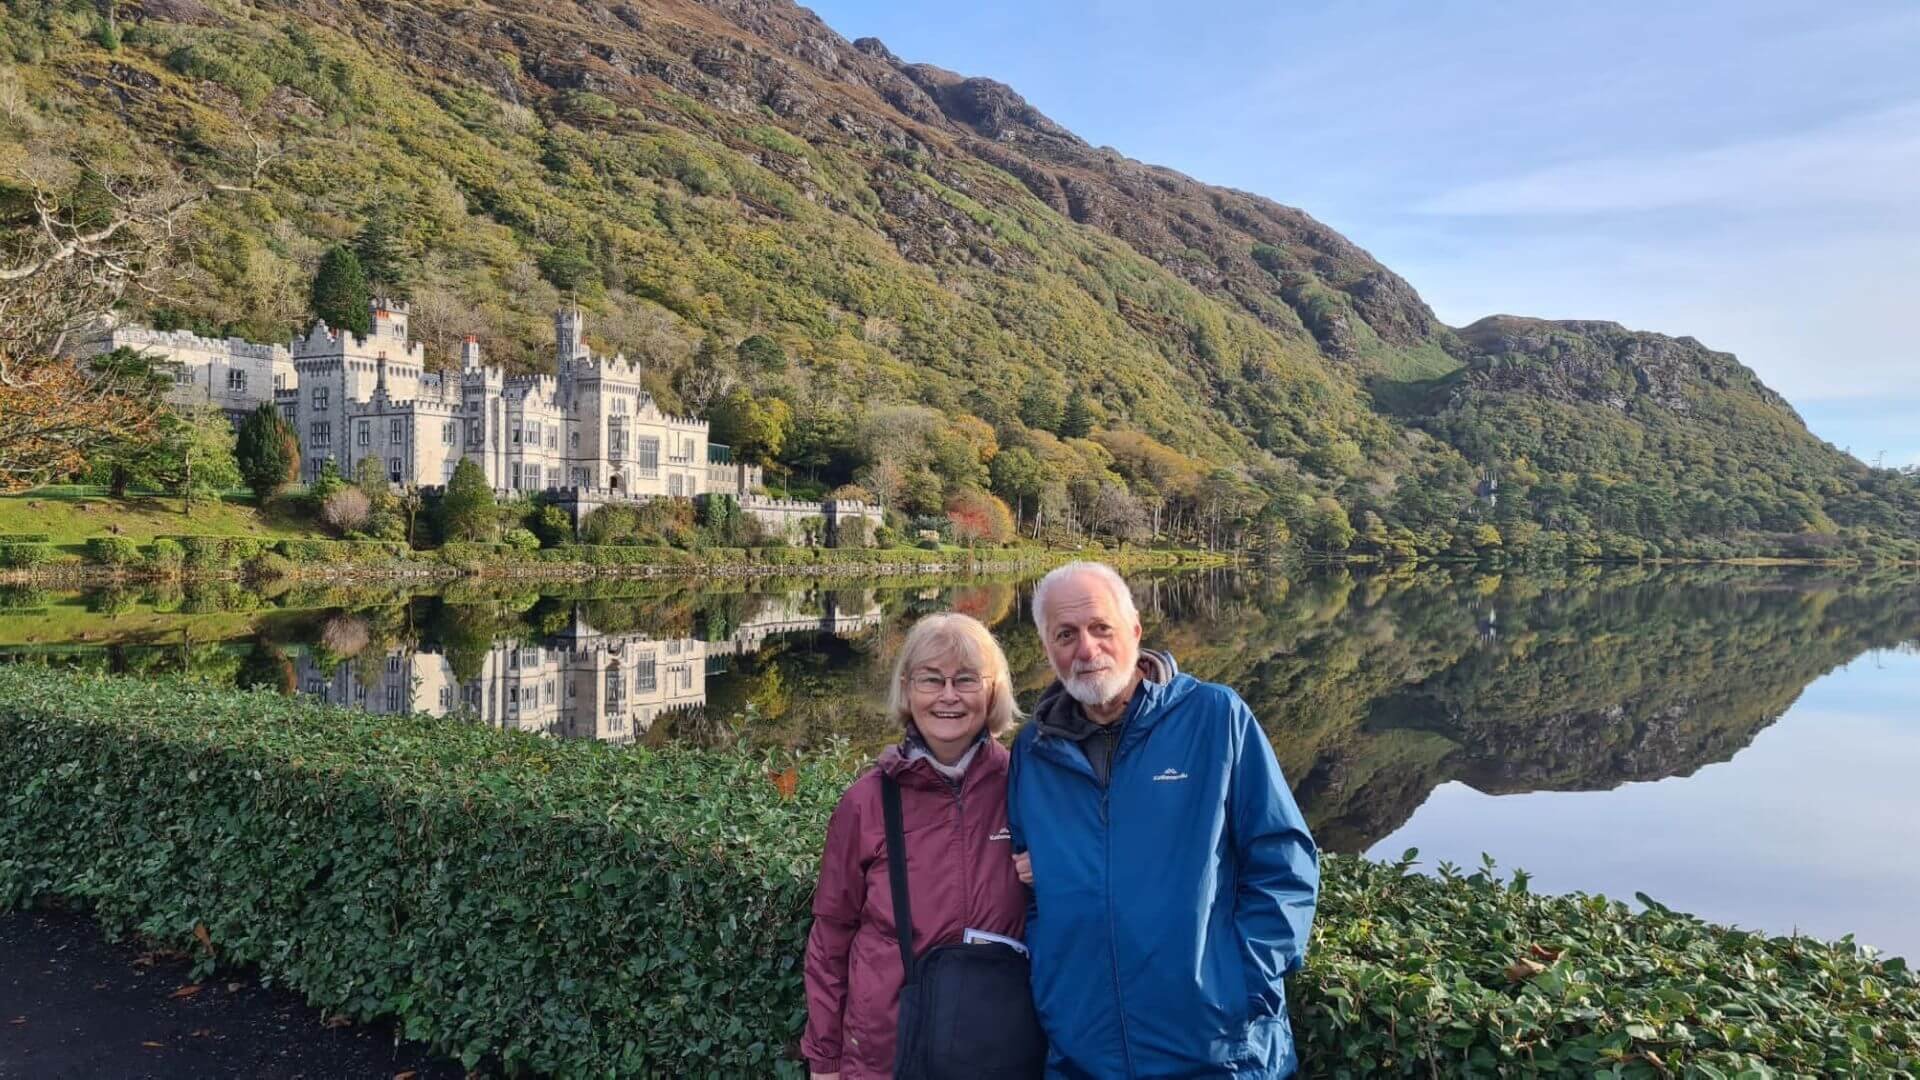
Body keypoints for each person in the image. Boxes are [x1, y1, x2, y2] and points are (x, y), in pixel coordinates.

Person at [1008, 561, 1320, 1078]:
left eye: (1100, 628)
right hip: (1083, 1053)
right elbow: (1030, 888)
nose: (1086, 649)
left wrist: (1239, 984)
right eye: (1065, 634)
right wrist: (1055, 992)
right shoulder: (1034, 751)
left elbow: (1285, 865)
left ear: (1133, 631)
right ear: (1047, 648)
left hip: (1218, 1052)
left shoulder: (1215, 717)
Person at [803, 612, 1030, 1080]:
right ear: (907, 689)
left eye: (966, 680)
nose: (948, 696)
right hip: (887, 1050)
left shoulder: (1027, 789)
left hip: (1000, 1047)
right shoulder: (866, 802)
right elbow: (831, 936)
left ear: (992, 692)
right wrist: (825, 1059)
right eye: (931, 679)